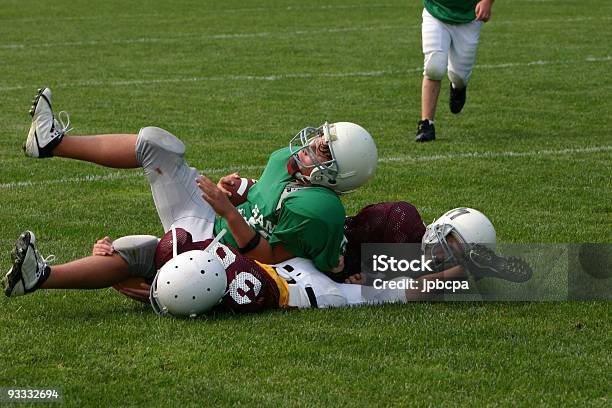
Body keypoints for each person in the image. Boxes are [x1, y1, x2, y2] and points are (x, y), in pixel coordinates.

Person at [17, 87, 378, 285]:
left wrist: (227, 210)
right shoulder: (286, 158)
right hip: (214, 217)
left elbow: (267, 257)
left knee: (135, 251)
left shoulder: (321, 210)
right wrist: (239, 189)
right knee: (157, 145)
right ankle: (52, 143)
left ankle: (40, 276)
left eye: (326, 150)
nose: (314, 143)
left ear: (336, 176)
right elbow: (265, 194)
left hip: (225, 255)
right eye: (321, 136)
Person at [3, 202, 532, 317]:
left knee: (141, 250)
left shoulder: (231, 284)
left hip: (283, 267)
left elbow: (161, 290)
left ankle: (43, 276)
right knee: (142, 252)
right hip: (298, 263)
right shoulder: (391, 234)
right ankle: (45, 276)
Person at [415, 0, 495, 142]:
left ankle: (458, 88)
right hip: (436, 11)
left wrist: (487, 2)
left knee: (460, 76)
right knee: (434, 67)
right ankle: (426, 124)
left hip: (469, 17)